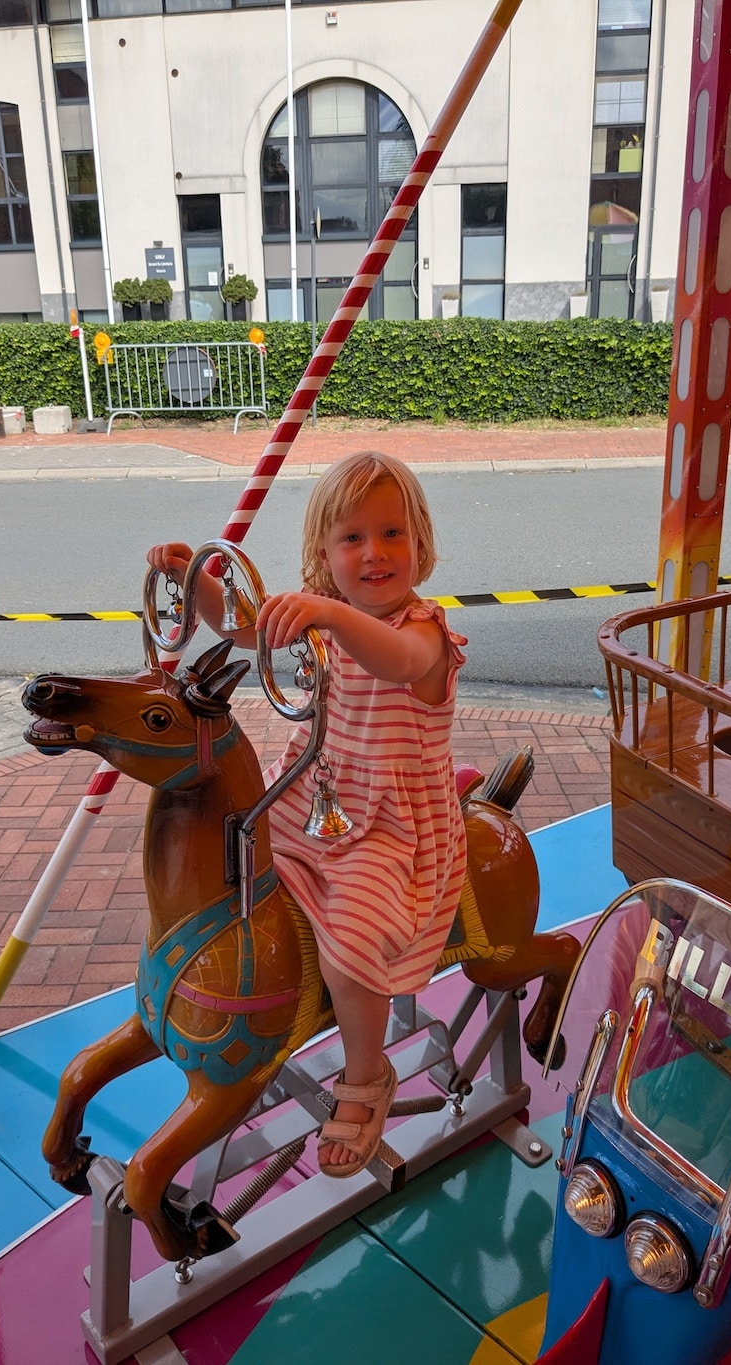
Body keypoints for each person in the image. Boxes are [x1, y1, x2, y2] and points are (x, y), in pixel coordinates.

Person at [146, 451, 467, 1177]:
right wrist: (195, 582)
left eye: (392, 533)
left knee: (352, 941)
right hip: (312, 798)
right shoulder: (326, 620)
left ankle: (367, 1076)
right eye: (352, 538)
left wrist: (329, 613)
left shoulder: (424, 632)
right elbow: (243, 630)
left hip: (389, 827)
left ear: (419, 542)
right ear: (324, 553)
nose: (374, 552)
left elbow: (396, 661)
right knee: (230, 869)